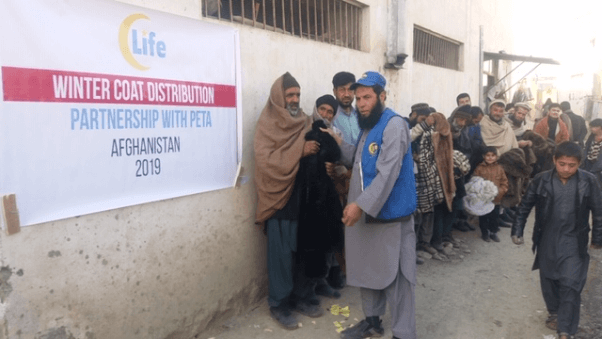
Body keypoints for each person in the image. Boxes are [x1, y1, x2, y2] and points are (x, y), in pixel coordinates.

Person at [331, 71, 417, 339]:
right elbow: (357, 161)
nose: (361, 103)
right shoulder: (368, 126)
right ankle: (372, 321)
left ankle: (403, 333)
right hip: (366, 216)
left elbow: (388, 173)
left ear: (382, 96)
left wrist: (360, 205)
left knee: (397, 276)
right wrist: (338, 144)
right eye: (358, 98)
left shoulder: (394, 125)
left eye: (366, 97)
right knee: (368, 269)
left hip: (390, 216)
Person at [254, 72, 324, 329]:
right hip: (279, 199)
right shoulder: (267, 124)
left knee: (303, 251)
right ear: (279, 97)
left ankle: (301, 297)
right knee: (281, 255)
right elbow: (266, 162)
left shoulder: (305, 121)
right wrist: (300, 151)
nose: (295, 99)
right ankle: (279, 304)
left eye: (297, 94)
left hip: (303, 198)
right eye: (290, 95)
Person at [511, 142, 602, 339]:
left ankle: (565, 330)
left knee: (571, 283)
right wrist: (517, 229)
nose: (566, 169)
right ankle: (554, 312)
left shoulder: (589, 181)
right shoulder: (541, 180)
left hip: (574, 241)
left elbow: (598, 211)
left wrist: (597, 239)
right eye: (562, 164)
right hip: (547, 238)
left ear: (580, 163)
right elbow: (525, 206)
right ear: (554, 160)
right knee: (549, 279)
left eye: (572, 165)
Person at [473, 146, 508, 242]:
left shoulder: (499, 168)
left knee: (494, 217)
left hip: (496, 199)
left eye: (493, 155)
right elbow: (475, 182)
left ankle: (493, 232)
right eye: (487, 155)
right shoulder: (479, 168)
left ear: (496, 157)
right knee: (484, 217)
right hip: (483, 199)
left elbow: (504, 182)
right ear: (483, 156)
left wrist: (501, 191)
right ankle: (485, 233)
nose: (490, 158)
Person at [332, 72, 360, 146]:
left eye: (350, 90)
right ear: (334, 91)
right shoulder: (330, 115)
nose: (346, 94)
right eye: (342, 90)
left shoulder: (360, 115)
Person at [581, 118, 602, 184]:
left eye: (593, 127)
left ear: (599, 127)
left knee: (596, 184)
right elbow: (586, 148)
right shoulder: (592, 136)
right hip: (588, 163)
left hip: (598, 167)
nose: (591, 129)